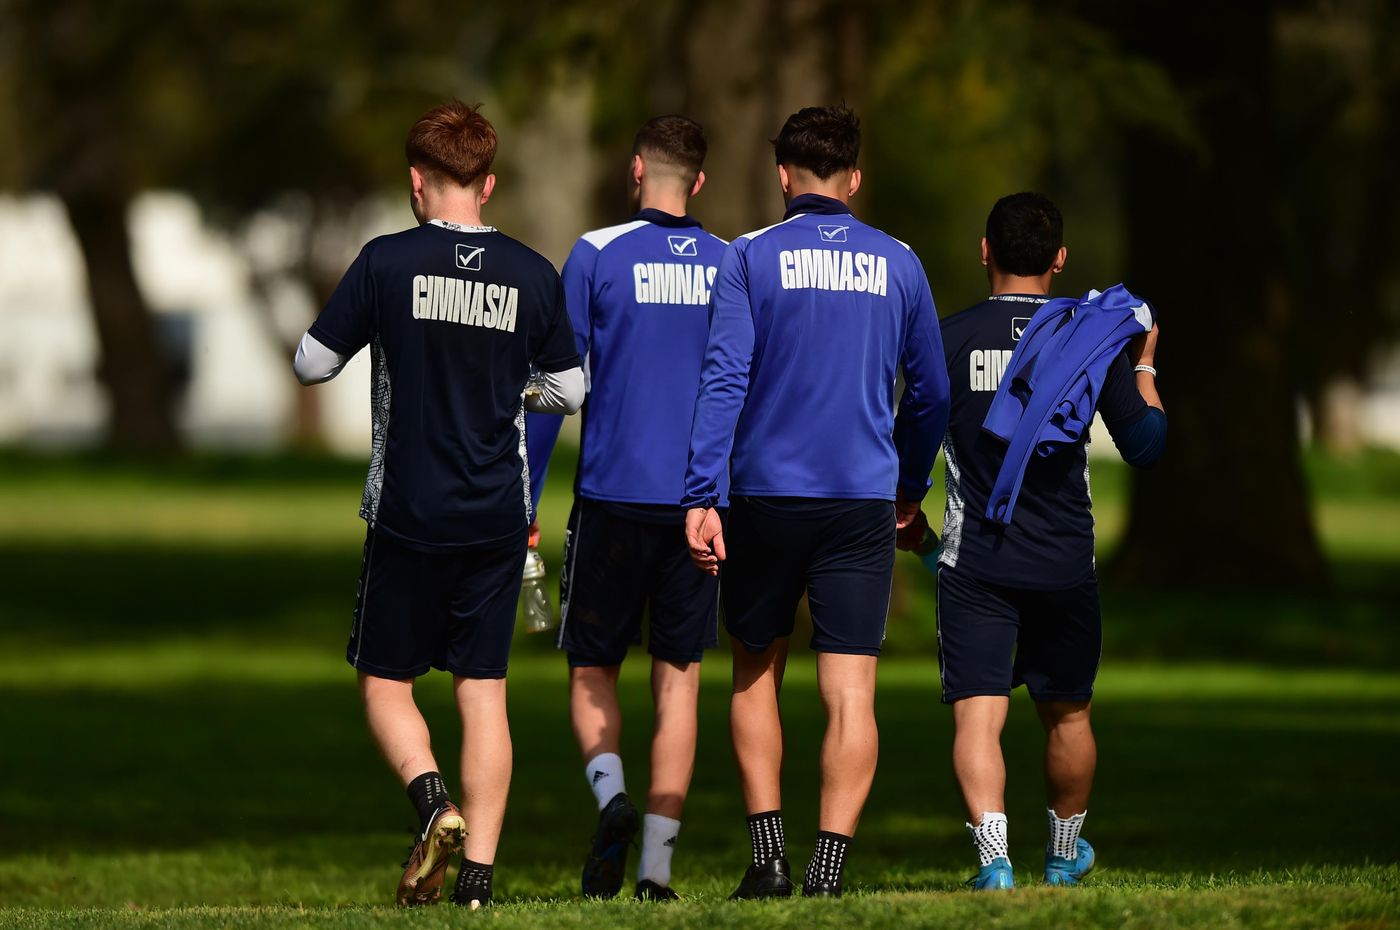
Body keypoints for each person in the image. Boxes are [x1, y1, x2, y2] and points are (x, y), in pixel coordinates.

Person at [292, 100, 585, 910]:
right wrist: (504, 388)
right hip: (495, 515)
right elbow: (570, 389)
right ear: (486, 184)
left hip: (407, 514)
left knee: (385, 683)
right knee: (481, 692)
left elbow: (311, 365)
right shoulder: (532, 273)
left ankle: (434, 805)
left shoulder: (386, 262)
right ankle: (480, 885)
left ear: (417, 182)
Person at [683, 104, 951, 899]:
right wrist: (909, 487)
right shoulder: (900, 262)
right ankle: (829, 870)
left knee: (754, 671)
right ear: (855, 177)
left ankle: (769, 859)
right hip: (862, 498)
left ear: (782, 175)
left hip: (764, 493)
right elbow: (931, 393)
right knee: (850, 690)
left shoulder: (748, 256)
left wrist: (703, 492)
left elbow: (725, 375)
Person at [925, 192, 1166, 890]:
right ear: (1059, 260)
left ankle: (994, 862)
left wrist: (909, 507)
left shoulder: (948, 339)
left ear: (984, 251)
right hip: (1064, 560)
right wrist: (1144, 363)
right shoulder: (1088, 341)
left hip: (976, 561)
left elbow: (911, 437)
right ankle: (1063, 856)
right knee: (1068, 712)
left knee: (979, 715)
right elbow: (1146, 446)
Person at [523, 115, 727, 901]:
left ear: (637, 169)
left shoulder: (595, 254)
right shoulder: (729, 264)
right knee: (678, 682)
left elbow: (553, 391)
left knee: (590, 668)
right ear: (700, 181)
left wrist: (527, 497)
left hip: (610, 498)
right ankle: (657, 870)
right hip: (697, 507)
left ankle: (612, 799)